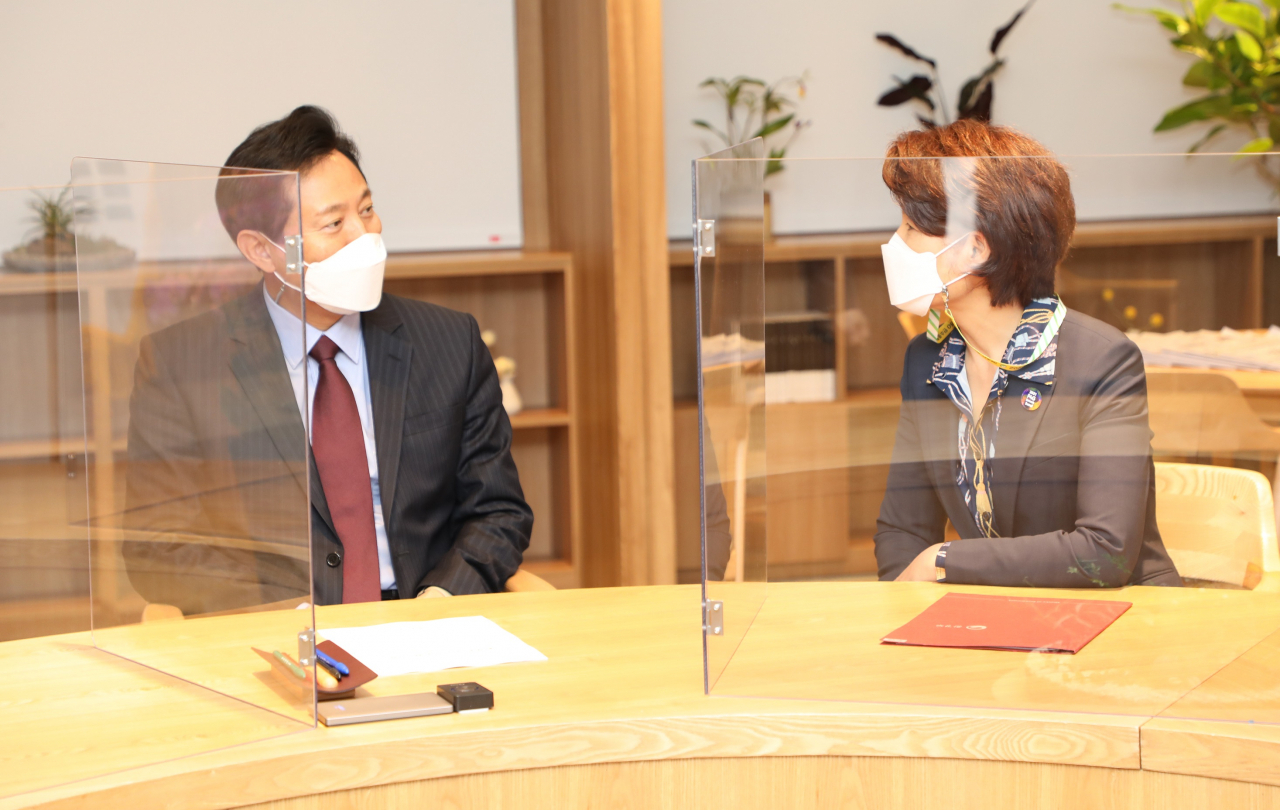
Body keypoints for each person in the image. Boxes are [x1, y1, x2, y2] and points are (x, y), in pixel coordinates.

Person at [122, 106, 533, 613]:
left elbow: (498, 511)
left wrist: (441, 599)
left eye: (366, 210)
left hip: (425, 616)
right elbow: (158, 546)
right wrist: (280, 611)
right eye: (333, 223)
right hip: (274, 632)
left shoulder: (449, 342)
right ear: (262, 251)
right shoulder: (181, 365)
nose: (366, 237)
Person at [873, 120, 1180, 588]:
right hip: (988, 623)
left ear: (974, 249)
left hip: (1116, 621)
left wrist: (945, 561)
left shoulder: (1101, 360)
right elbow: (902, 530)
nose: (895, 243)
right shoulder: (928, 359)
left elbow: (1105, 552)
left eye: (912, 227)